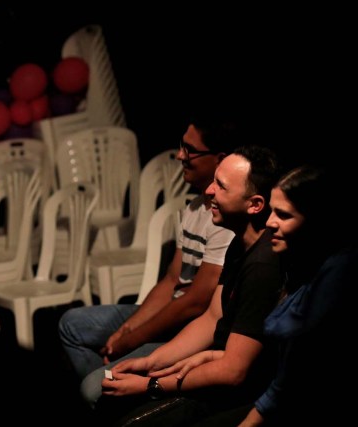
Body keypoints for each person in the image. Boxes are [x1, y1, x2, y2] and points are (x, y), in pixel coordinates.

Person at [58, 111, 238, 405]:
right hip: (172, 309)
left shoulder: (225, 219)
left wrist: (132, 340)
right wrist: (126, 331)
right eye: (182, 145)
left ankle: (117, 394)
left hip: (188, 326)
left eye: (189, 150)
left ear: (219, 159)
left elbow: (196, 300)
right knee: (72, 324)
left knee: (93, 387)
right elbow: (171, 280)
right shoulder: (194, 207)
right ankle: (118, 401)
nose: (180, 155)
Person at [96, 145, 284, 427]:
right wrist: (152, 362)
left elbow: (233, 372)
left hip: (236, 395)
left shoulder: (263, 266)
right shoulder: (239, 244)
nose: (209, 191)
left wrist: (152, 385)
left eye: (221, 186)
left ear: (254, 204)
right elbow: (212, 317)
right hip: (210, 369)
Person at [220, 164, 354, 426]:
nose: (270, 222)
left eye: (283, 214)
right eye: (271, 211)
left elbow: (289, 384)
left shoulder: (338, 275)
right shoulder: (300, 265)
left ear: (319, 221)